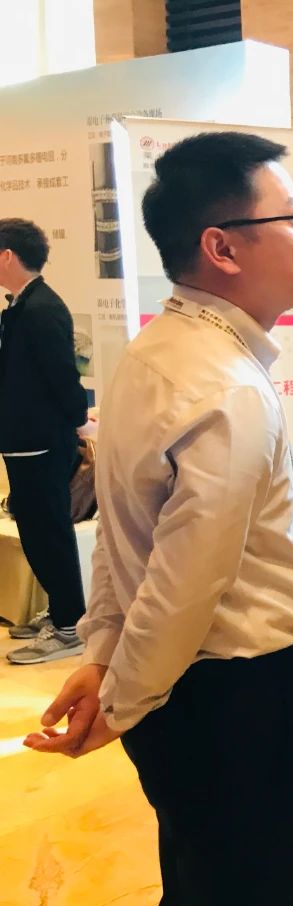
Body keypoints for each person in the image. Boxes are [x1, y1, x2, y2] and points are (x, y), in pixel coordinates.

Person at [25, 132, 293, 906]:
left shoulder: (155, 352)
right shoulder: (226, 386)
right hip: (238, 700)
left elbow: (125, 537)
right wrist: (120, 696)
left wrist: (105, 657)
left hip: (185, 698)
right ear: (222, 247)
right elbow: (187, 581)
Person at [0, 218, 88, 663]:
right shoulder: (22, 306)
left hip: (41, 441)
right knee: (36, 530)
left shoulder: (41, 308)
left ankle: (70, 625)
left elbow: (63, 376)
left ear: (7, 256)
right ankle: (59, 610)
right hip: (22, 439)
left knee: (49, 532)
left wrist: (78, 420)